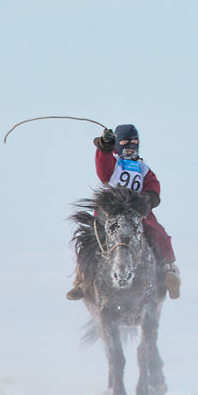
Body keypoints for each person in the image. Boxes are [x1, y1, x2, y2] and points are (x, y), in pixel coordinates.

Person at [66, 124, 181, 300]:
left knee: (159, 233)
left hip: (137, 211)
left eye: (134, 142)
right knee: (90, 238)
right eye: (126, 143)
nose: (130, 147)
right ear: (118, 144)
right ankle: (82, 280)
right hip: (110, 212)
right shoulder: (114, 163)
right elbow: (103, 170)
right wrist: (105, 145)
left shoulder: (142, 168)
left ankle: (168, 270)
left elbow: (153, 184)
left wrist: (149, 198)